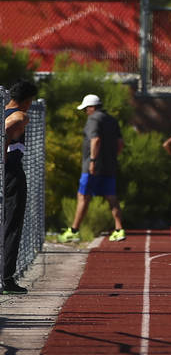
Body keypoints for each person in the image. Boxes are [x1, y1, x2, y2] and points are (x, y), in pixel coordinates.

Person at [59, 94, 127, 243]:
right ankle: (119, 229)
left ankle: (74, 230)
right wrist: (111, 157)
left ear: (91, 107)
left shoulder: (93, 119)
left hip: (93, 167)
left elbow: (95, 140)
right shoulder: (111, 120)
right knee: (112, 197)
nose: (85, 113)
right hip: (109, 166)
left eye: (86, 109)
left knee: (83, 196)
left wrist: (93, 161)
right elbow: (120, 143)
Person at [3, 80, 39, 294]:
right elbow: (13, 122)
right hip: (11, 173)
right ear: (27, 100)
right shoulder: (20, 114)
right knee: (12, 224)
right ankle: (6, 278)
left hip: (6, 173)